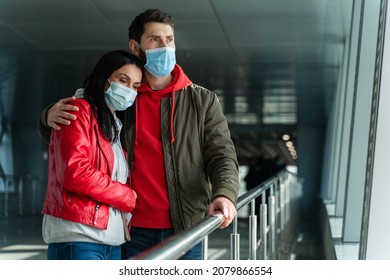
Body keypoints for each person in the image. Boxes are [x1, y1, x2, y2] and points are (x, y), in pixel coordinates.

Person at [37, 8, 239, 260]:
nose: (164, 46)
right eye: (155, 39)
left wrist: (225, 194)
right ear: (135, 47)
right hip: (129, 228)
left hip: (185, 226)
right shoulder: (120, 98)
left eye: (169, 39)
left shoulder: (202, 100)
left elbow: (222, 155)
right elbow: (78, 133)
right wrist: (47, 117)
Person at [40, 50, 142, 260]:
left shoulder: (113, 125)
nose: (129, 91)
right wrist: (126, 196)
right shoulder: (77, 111)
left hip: (111, 240)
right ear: (104, 79)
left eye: (135, 86)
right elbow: (75, 172)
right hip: (78, 237)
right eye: (123, 80)